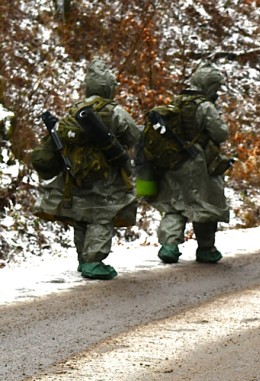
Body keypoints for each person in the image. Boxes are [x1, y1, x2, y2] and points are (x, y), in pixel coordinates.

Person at [31, 59, 140, 280]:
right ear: (109, 87)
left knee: (81, 216)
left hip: (76, 175)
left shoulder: (74, 110)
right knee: (102, 216)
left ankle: (83, 258)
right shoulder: (114, 111)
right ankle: (94, 262)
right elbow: (135, 136)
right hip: (106, 177)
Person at [149, 62, 231, 264]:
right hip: (198, 164)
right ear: (210, 86)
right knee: (204, 205)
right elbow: (220, 134)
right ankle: (206, 249)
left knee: (175, 205)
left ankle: (168, 246)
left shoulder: (175, 102)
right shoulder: (205, 106)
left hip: (173, 161)